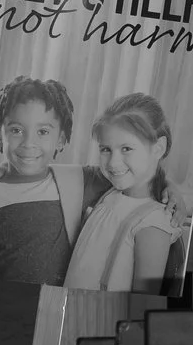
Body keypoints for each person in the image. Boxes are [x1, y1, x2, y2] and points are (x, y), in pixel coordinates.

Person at [0, 77, 87, 284]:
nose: (29, 143)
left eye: (43, 132)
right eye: (16, 130)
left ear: (61, 140)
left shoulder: (79, 182)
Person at [65, 92, 181, 293]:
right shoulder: (110, 193)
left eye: (126, 148)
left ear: (158, 148)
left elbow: (144, 300)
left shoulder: (152, 223)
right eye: (105, 149)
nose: (112, 162)